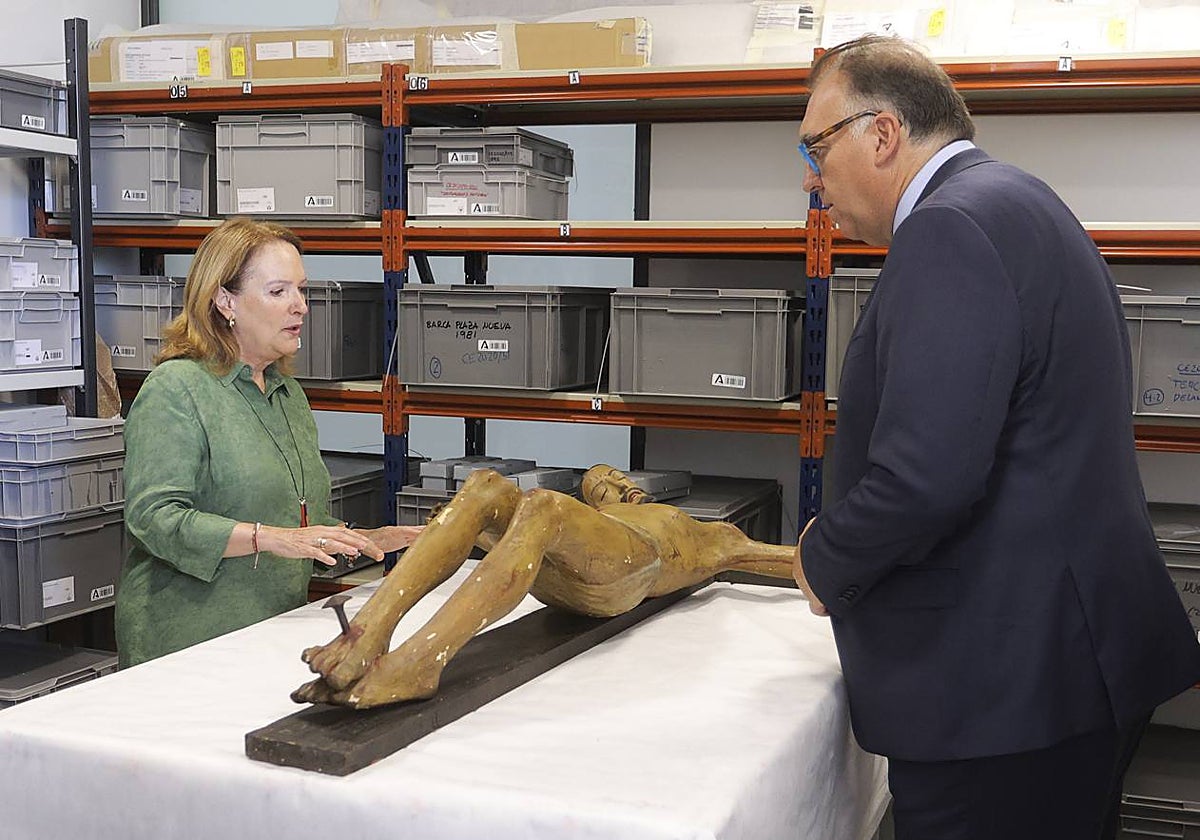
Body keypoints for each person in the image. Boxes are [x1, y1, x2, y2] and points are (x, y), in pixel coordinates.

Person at [790, 35, 1200, 839]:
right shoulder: (1016, 201)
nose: (811, 175)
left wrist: (823, 557)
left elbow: (925, 478)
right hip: (1065, 666)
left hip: (1006, 697)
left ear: (882, 134)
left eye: (817, 144)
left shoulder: (951, 230)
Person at [116, 218, 420, 668]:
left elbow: (296, 521)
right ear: (225, 301)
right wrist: (268, 538)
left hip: (272, 630)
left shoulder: (286, 393)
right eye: (279, 292)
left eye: (301, 290)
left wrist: (364, 539)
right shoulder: (175, 388)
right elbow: (154, 518)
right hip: (188, 644)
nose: (300, 306)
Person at [293, 465, 796, 708]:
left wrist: (839, 563)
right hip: (574, 571)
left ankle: (421, 661)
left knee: (543, 506)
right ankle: (367, 632)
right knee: (486, 486)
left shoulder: (699, 530)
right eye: (599, 484)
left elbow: (783, 560)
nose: (610, 484)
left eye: (613, 478)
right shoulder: (592, 524)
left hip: (636, 569)